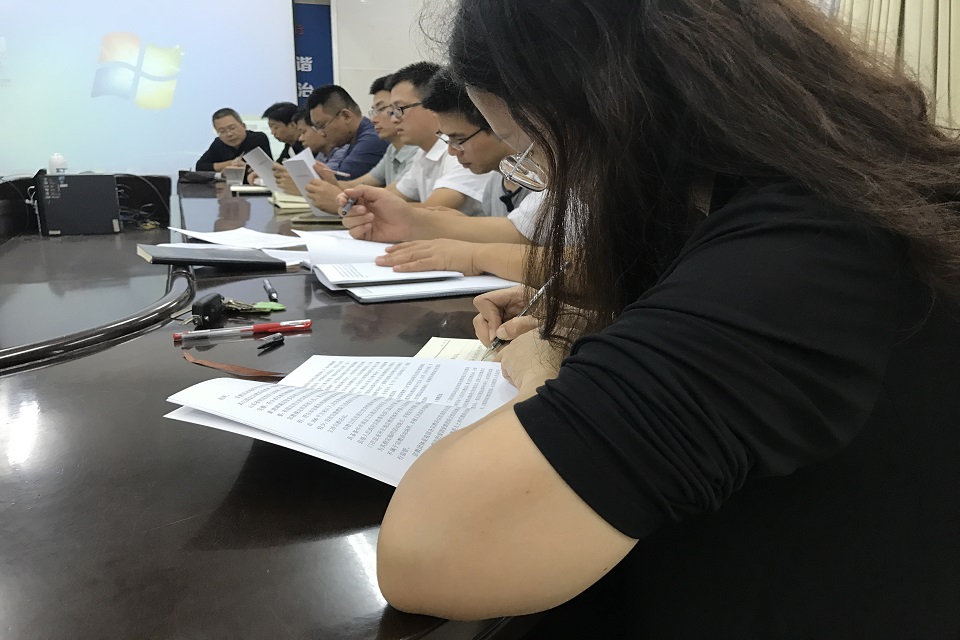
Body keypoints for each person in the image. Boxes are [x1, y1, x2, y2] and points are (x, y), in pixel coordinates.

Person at [368, 0, 960, 637]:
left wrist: (543, 370)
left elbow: (427, 557)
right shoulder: (825, 191)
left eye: (532, 152)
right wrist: (613, 325)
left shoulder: (806, 256)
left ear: (609, 110)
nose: (551, 180)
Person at [384, 62, 490, 213]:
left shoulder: (463, 149)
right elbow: (392, 196)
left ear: (430, 105)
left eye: (399, 109)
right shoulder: (423, 153)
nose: (394, 119)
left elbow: (431, 212)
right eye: (392, 111)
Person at [303, 74, 419, 213]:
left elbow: (390, 201)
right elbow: (361, 184)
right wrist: (332, 183)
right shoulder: (392, 149)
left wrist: (339, 201)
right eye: (374, 111)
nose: (373, 119)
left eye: (382, 109)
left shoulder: (416, 151)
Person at [306, 84, 389, 180]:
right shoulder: (354, 139)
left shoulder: (371, 140)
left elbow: (339, 182)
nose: (321, 133)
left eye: (322, 126)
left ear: (346, 116)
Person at [196, 108, 272, 173]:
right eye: (222, 131)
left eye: (232, 128)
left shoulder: (258, 138)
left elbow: (265, 169)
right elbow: (200, 166)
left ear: (243, 126)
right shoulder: (218, 143)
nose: (229, 134)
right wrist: (229, 164)